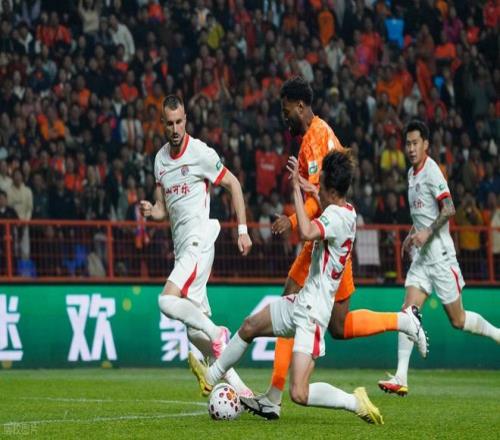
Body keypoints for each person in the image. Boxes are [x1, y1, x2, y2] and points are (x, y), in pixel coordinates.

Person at [258, 76, 427, 419]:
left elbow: (319, 200)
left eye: (286, 110)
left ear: (300, 106)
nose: (284, 117)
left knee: (291, 294)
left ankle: (273, 397)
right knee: (338, 326)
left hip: (327, 238)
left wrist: (292, 222)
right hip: (332, 238)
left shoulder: (315, 138)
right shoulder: (315, 135)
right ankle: (403, 321)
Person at [188, 151, 384, 425]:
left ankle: (355, 401)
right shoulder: (347, 210)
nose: (317, 188)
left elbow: (306, 231)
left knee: (299, 393)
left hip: (313, 316)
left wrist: (295, 190)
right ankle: (210, 377)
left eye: (321, 184)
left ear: (331, 191)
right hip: (302, 302)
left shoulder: (337, 218)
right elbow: (327, 206)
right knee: (250, 326)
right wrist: (311, 189)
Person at [139, 95, 253, 396]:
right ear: (162, 124)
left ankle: (217, 332)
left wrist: (243, 230)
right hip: (183, 248)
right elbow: (163, 208)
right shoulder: (160, 161)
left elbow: (234, 184)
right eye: (169, 123)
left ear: (185, 120)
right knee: (194, 332)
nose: (175, 129)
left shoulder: (201, 152)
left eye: (179, 122)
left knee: (166, 301)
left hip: (199, 241)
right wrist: (152, 210)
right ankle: (243, 392)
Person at [378, 120, 500, 396]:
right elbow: (423, 215)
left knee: (458, 320)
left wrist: (427, 232)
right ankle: (400, 376)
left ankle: (497, 334)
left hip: (441, 256)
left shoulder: (432, 171)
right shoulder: (411, 174)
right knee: (407, 312)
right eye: (408, 144)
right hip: (422, 258)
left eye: (415, 143)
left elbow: (449, 208)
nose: (411, 148)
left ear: (426, 145)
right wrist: (412, 234)